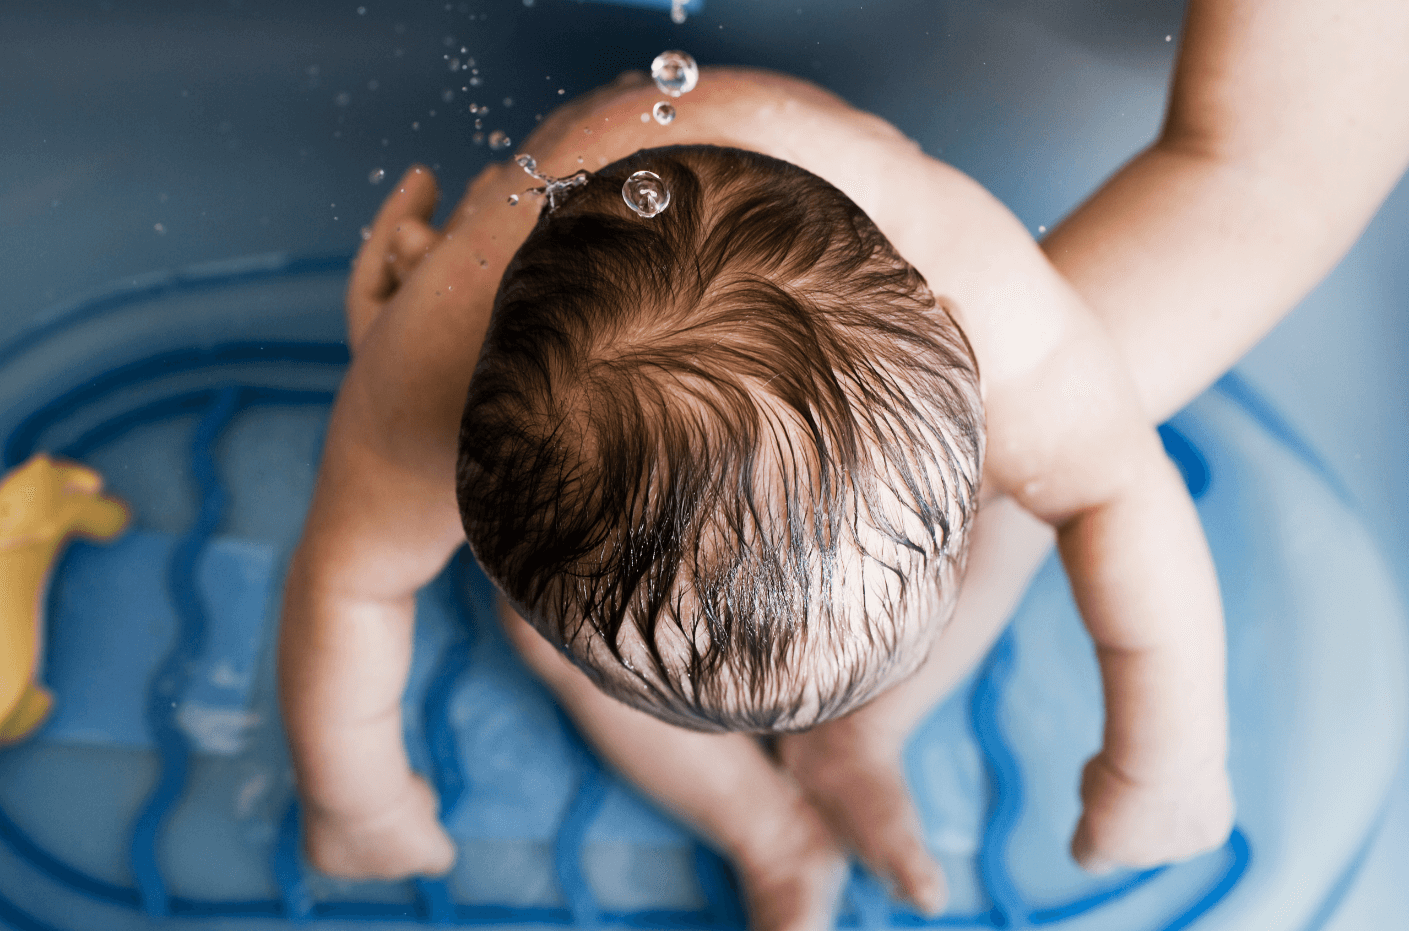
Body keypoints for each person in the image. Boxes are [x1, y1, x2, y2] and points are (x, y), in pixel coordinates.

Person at [277, 0, 1409, 927]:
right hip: (579, 351)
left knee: (1025, 488)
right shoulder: (427, 383)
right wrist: (355, 791)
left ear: (957, 352)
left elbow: (1120, 495)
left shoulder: (1009, 327)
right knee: (560, 629)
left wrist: (1164, 759)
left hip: (825, 319)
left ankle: (857, 733)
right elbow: (346, 580)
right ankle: (757, 821)